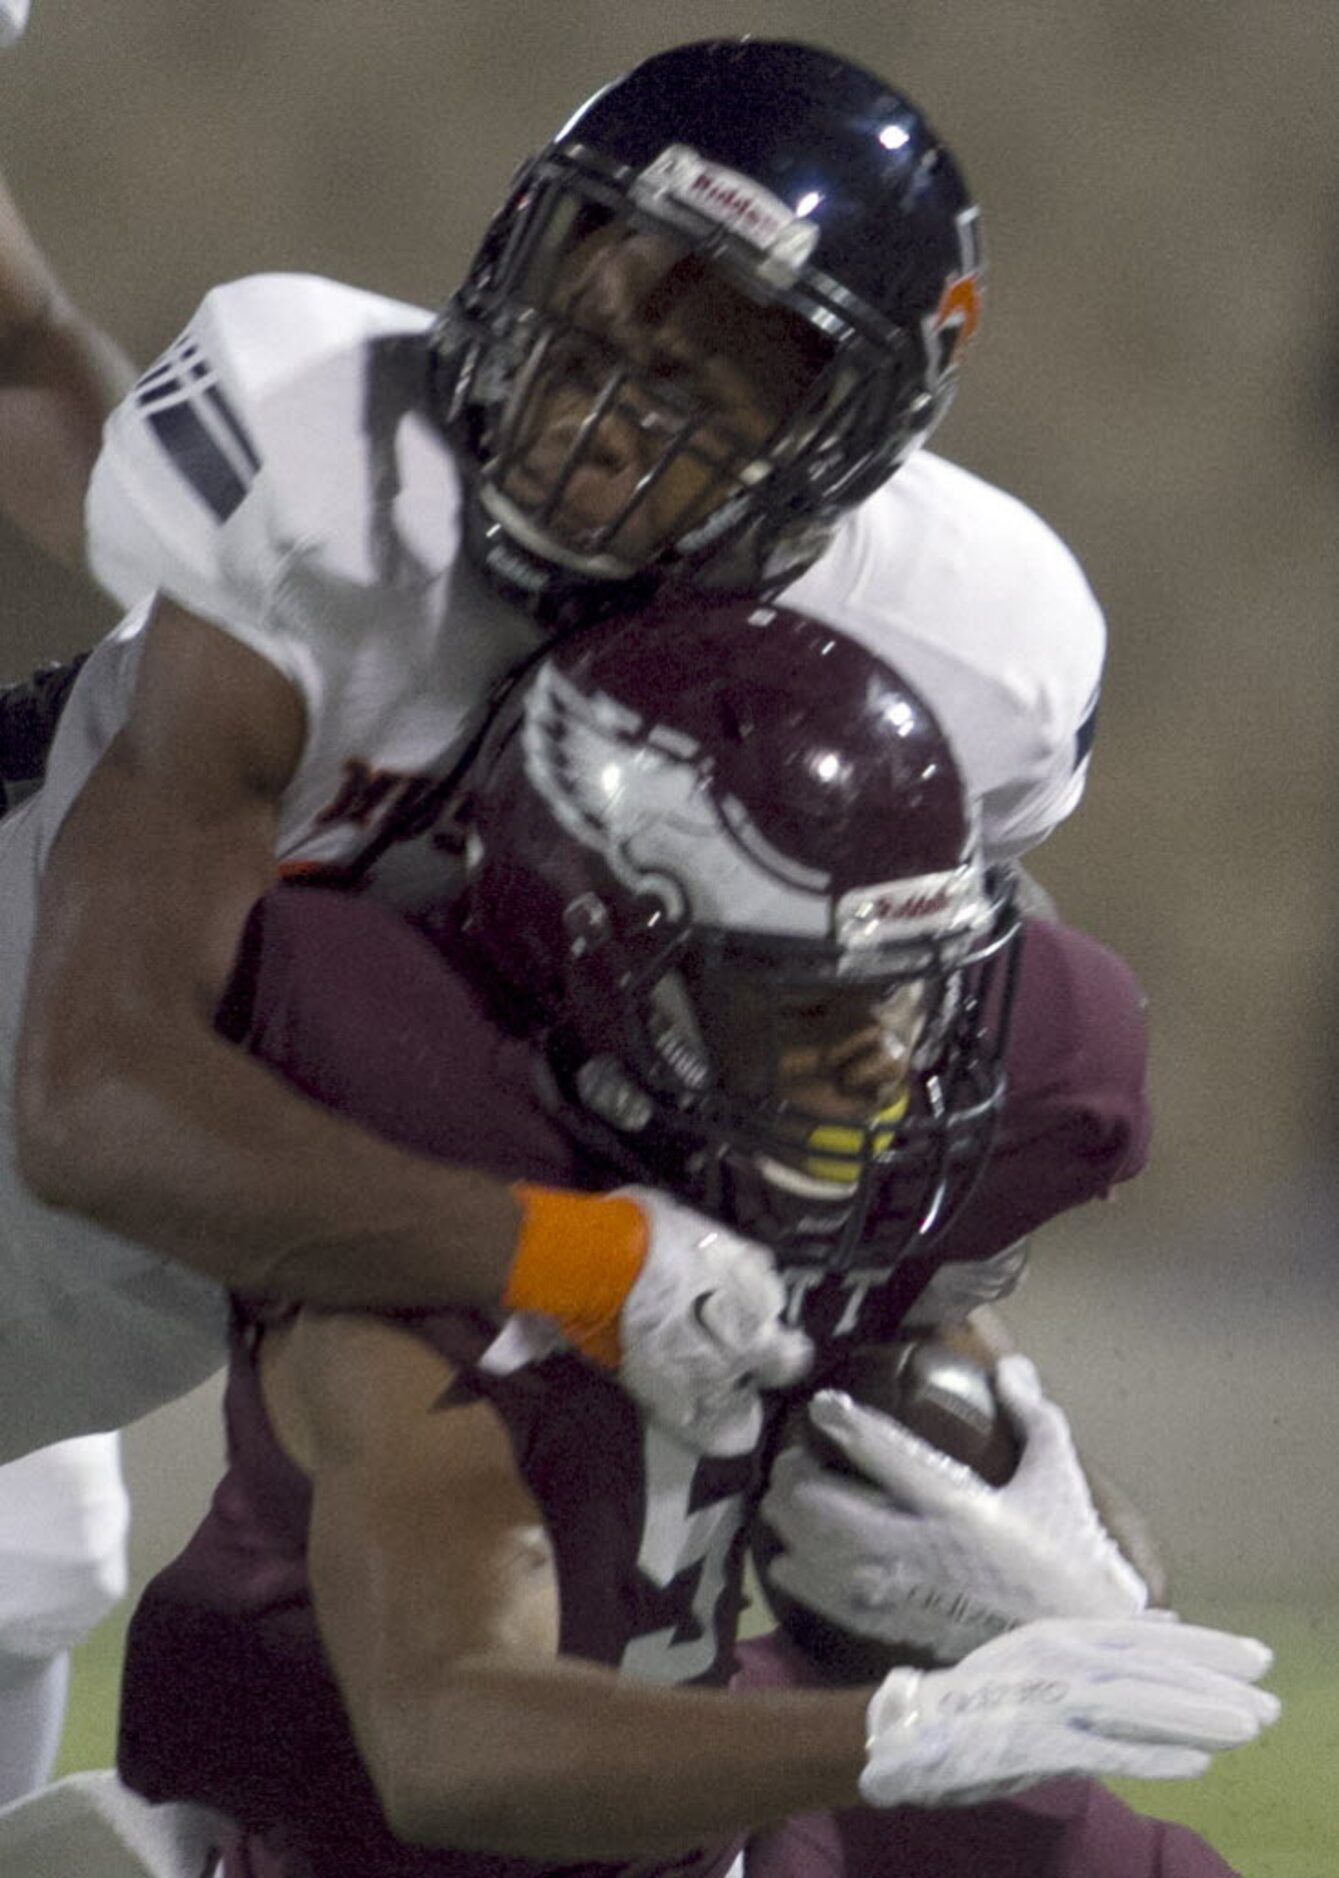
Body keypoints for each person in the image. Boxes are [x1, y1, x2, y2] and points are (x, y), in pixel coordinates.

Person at [0, 39, 1109, 1469]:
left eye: (697, 386)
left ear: (846, 442)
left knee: (1052, 1022)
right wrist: (579, 1262)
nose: (588, 427)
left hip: (245, 1247)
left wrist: (945, 1382)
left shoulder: (953, 642)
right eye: (584, 330)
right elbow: (94, 1102)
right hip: (64, 1083)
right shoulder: (328, 492)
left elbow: (865, 1050)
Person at [115, 605, 1275, 1877]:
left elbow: (945, 1404)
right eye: (808, 999)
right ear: (611, 975)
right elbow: (450, 1743)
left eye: (906, 989)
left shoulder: (820, 1150)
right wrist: (904, 1727)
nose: (885, 1056)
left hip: (724, 1805)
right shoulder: (431, 1247)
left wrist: (1076, 1579)